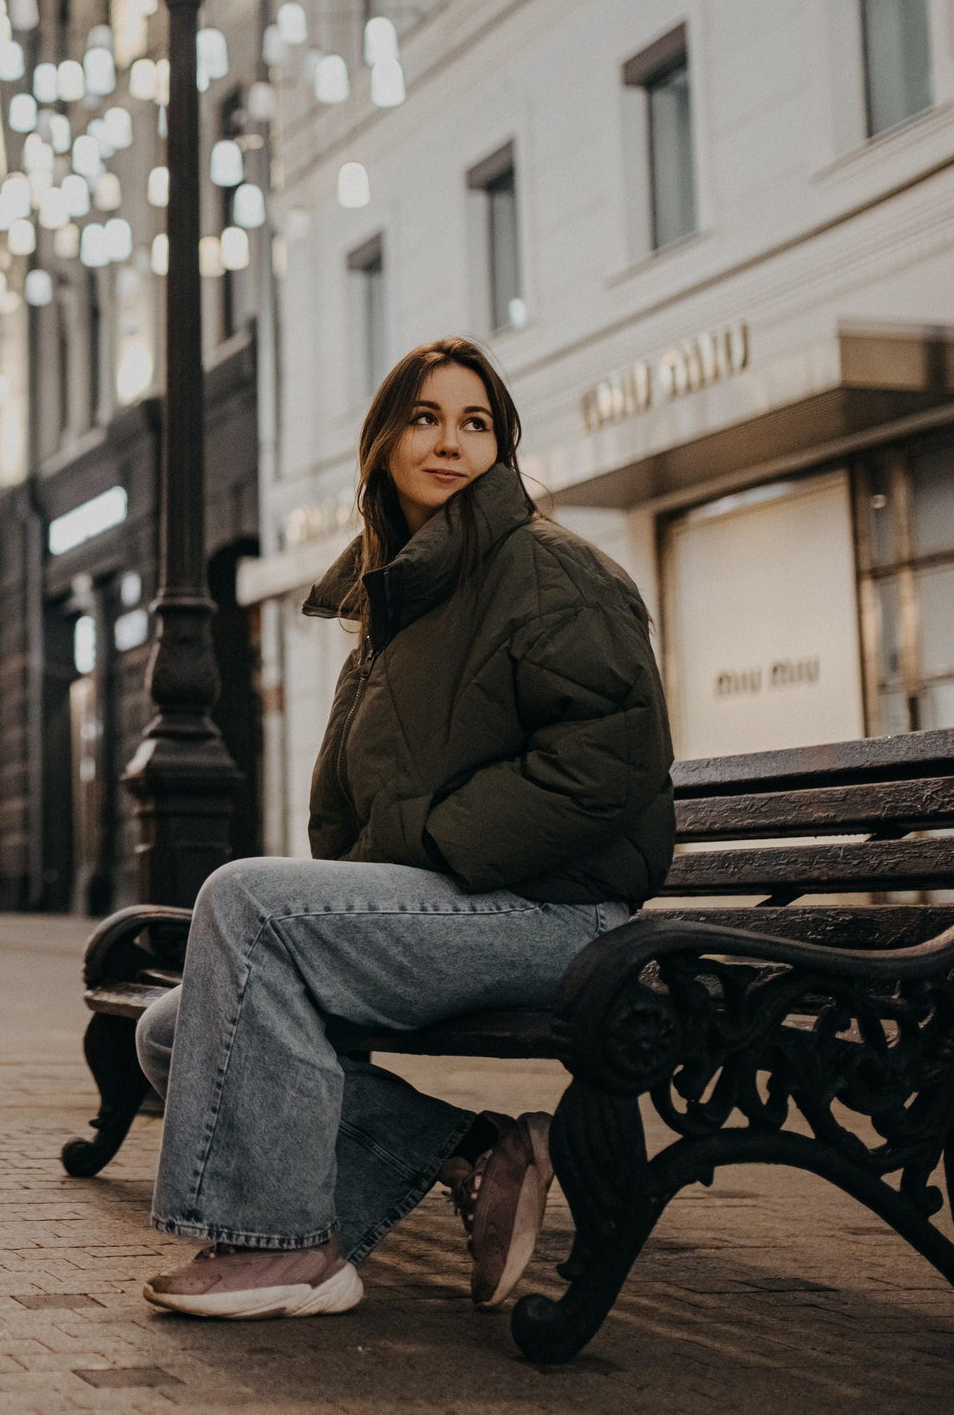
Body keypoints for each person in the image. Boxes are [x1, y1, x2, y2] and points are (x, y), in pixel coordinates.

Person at [132, 338, 673, 1322]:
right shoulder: (400, 599)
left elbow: (606, 765)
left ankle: (288, 1246)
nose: (449, 440)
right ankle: (476, 1152)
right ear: (384, 442)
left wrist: (428, 840)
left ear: (502, 449)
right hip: (474, 903)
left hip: (564, 918)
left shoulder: (552, 573)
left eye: (476, 423)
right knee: (172, 1033)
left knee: (241, 904)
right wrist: (365, 888)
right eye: (424, 417)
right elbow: (351, 807)